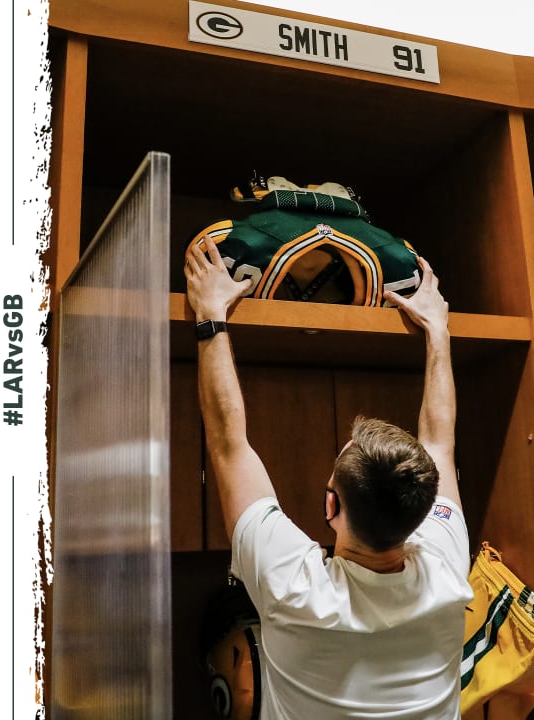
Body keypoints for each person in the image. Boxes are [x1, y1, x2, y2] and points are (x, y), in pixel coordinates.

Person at [185, 235, 472, 719]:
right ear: (423, 511)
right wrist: (438, 331)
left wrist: (211, 313)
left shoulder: (294, 587)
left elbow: (228, 442)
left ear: (330, 507)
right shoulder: (445, 568)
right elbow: (440, 442)